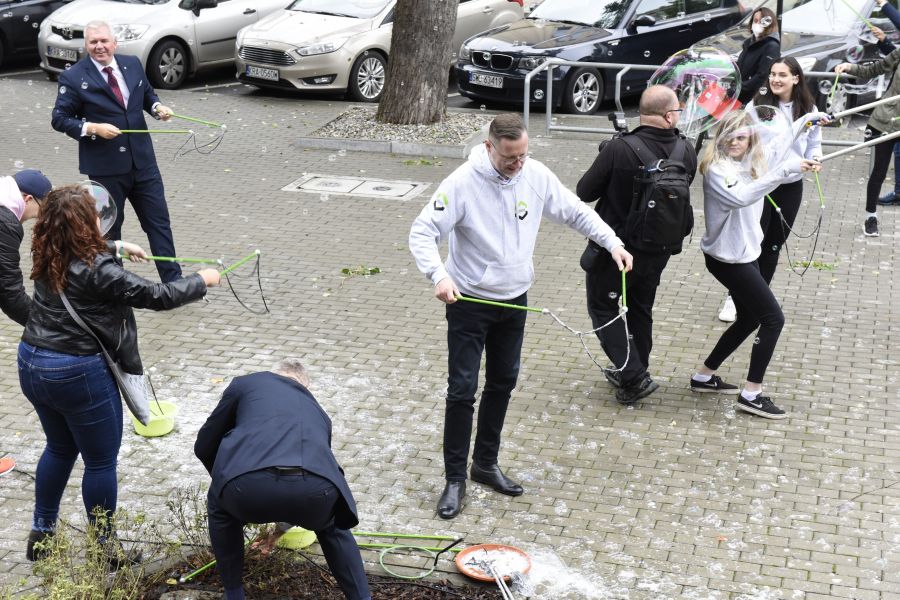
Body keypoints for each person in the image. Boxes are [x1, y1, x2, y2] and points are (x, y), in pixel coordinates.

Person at [409, 113, 632, 519]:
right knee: (462, 390)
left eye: (524, 155)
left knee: (503, 381)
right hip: (469, 301)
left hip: (515, 300)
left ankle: (485, 464)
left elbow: (576, 212)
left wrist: (612, 242)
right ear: (490, 147)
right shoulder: (461, 183)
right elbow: (422, 232)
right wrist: (439, 276)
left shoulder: (536, 174)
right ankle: (454, 477)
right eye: (510, 157)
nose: (518, 164)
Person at [19, 184, 219, 563]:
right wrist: (201, 281)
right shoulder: (100, 271)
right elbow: (157, 296)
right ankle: (106, 549)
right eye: (93, 215)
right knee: (100, 461)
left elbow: (82, 260)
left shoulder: (48, 248)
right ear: (83, 225)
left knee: (60, 448)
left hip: (32, 361)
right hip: (76, 371)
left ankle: (42, 533)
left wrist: (114, 246)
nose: (100, 219)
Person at [194, 361, 371, 600]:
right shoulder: (318, 412)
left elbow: (204, 444)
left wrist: (228, 483)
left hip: (244, 488)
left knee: (219, 505)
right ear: (303, 385)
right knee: (333, 525)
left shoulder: (247, 383)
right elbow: (299, 482)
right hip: (318, 492)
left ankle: (234, 595)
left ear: (276, 374)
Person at [693, 110, 819, 419]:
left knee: (749, 319)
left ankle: (703, 376)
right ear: (719, 138)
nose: (735, 143)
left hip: (742, 256)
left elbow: (776, 148)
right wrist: (783, 171)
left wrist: (805, 122)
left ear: (750, 140)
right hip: (728, 259)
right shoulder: (717, 169)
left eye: (742, 137)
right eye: (729, 137)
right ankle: (752, 394)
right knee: (773, 319)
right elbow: (744, 197)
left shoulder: (748, 160)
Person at [577, 85, 698, 403]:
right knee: (641, 308)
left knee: (604, 307)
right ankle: (636, 370)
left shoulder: (619, 149)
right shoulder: (686, 150)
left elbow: (585, 191)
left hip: (614, 249)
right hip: (658, 249)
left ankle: (633, 374)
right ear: (669, 115)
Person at [50, 20, 181, 282]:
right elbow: (59, 118)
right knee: (109, 230)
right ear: (86, 45)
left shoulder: (132, 64)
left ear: (114, 43)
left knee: (159, 225)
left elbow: (147, 96)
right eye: (93, 42)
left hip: (143, 163)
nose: (99, 46)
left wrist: (157, 108)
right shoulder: (74, 77)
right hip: (104, 168)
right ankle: (115, 286)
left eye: (104, 41)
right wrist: (93, 128)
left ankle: (175, 283)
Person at [717, 57, 823, 322]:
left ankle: (758, 298)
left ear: (796, 78)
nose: (775, 79)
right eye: (773, 74)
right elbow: (745, 139)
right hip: (760, 184)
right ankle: (734, 298)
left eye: (783, 75)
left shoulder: (808, 108)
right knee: (752, 243)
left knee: (773, 245)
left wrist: (816, 159)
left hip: (789, 186)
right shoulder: (759, 105)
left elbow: (814, 145)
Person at [836, 44, 900, 236]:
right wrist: (850, 67)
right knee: (879, 171)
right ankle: (870, 217)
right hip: (887, 120)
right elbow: (875, 69)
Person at [736, 8, 780, 106]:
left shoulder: (771, 46)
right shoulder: (748, 43)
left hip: (754, 100)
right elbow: (740, 68)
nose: (757, 24)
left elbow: (762, 76)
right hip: (740, 96)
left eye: (762, 21)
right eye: (755, 21)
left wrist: (738, 88)